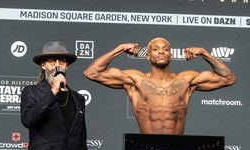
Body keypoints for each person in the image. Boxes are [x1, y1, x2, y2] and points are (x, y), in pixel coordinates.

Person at [83, 37, 236, 135]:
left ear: (171, 55)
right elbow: (92, 73)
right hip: (145, 147)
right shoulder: (136, 80)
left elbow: (228, 78)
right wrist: (120, 48)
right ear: (148, 56)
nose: (161, 51)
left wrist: (204, 53)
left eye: (165, 49)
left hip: (178, 147)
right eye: (155, 49)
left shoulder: (186, 80)